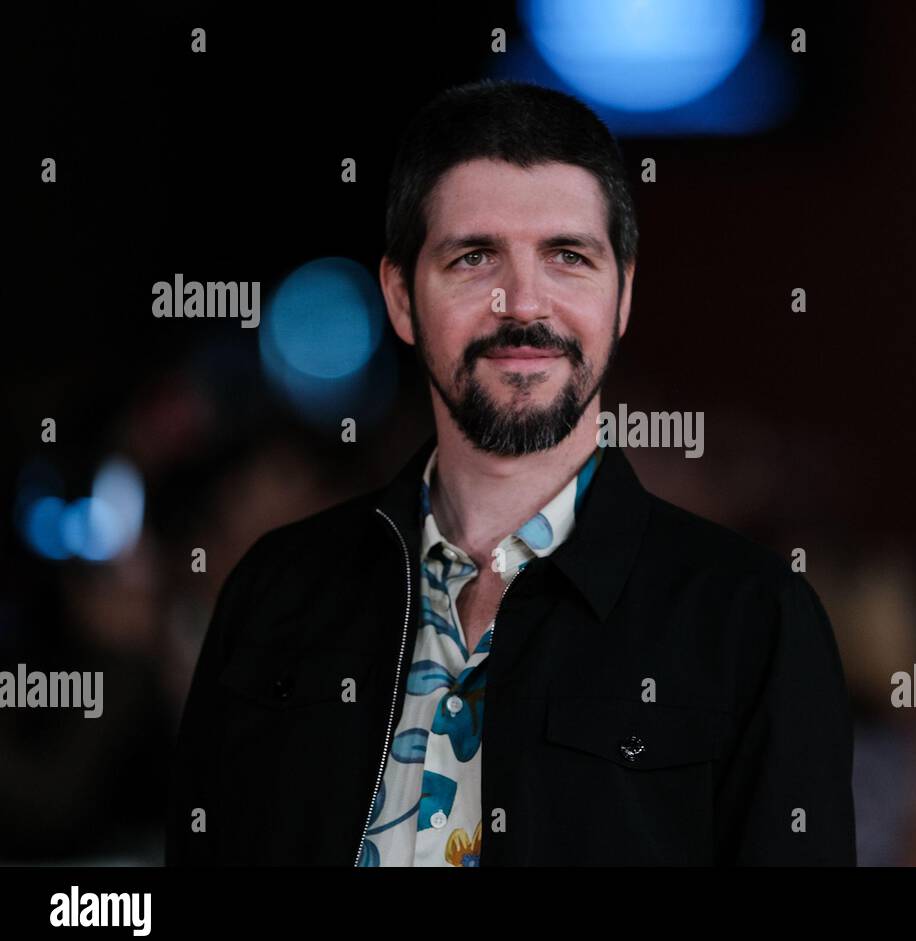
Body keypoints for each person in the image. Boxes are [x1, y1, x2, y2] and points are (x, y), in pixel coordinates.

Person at [165, 78, 856, 866]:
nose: (522, 302)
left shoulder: (753, 621)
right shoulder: (276, 593)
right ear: (400, 297)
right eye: (474, 256)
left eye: (567, 256)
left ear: (623, 295)